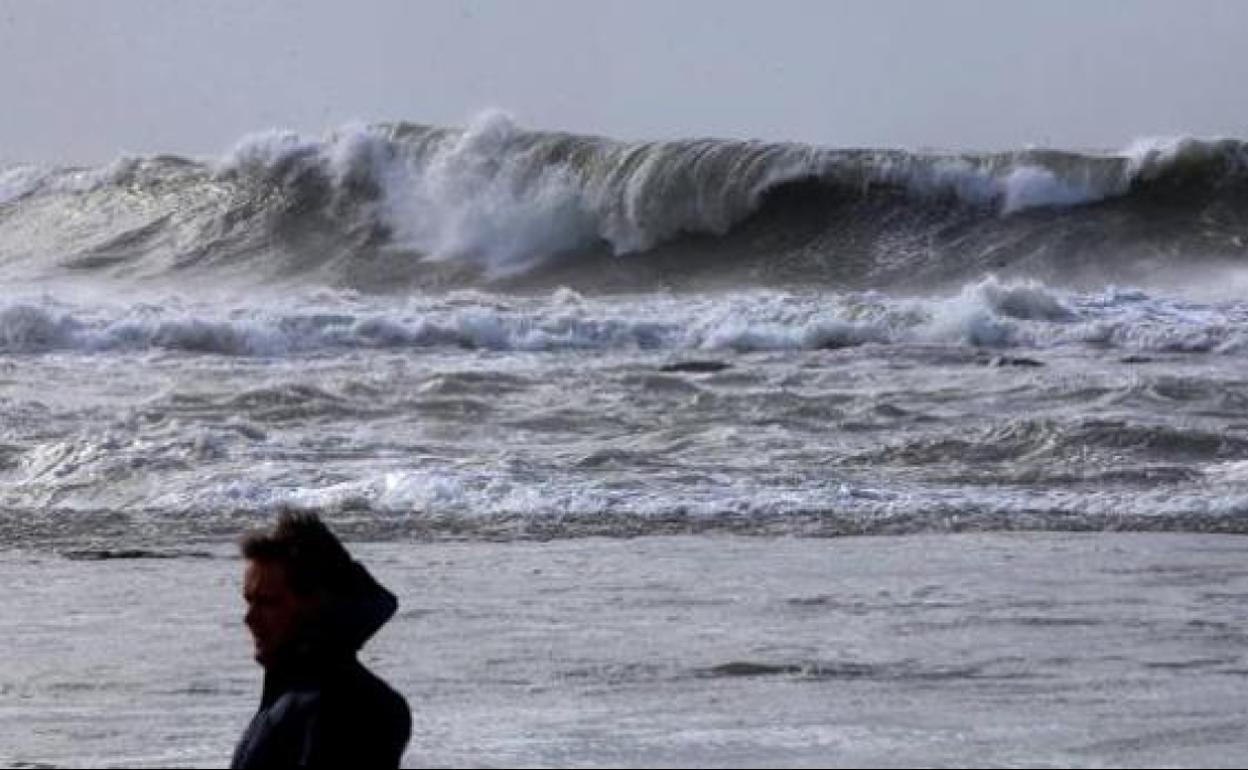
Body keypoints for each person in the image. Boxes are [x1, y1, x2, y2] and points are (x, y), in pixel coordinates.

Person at [231, 510, 411, 768]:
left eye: (268, 603)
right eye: (249, 602)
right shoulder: (295, 699)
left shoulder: (344, 708)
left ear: (316, 604)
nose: (249, 619)